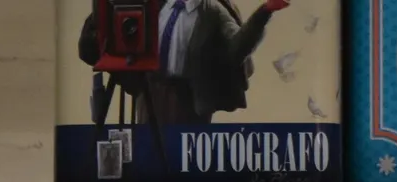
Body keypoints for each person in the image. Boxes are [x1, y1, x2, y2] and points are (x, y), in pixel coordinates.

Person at [81, 0, 290, 127]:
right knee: (146, 155)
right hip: (150, 93)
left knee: (182, 161)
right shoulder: (154, 4)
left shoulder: (212, 11)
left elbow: (237, 48)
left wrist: (264, 12)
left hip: (188, 99)